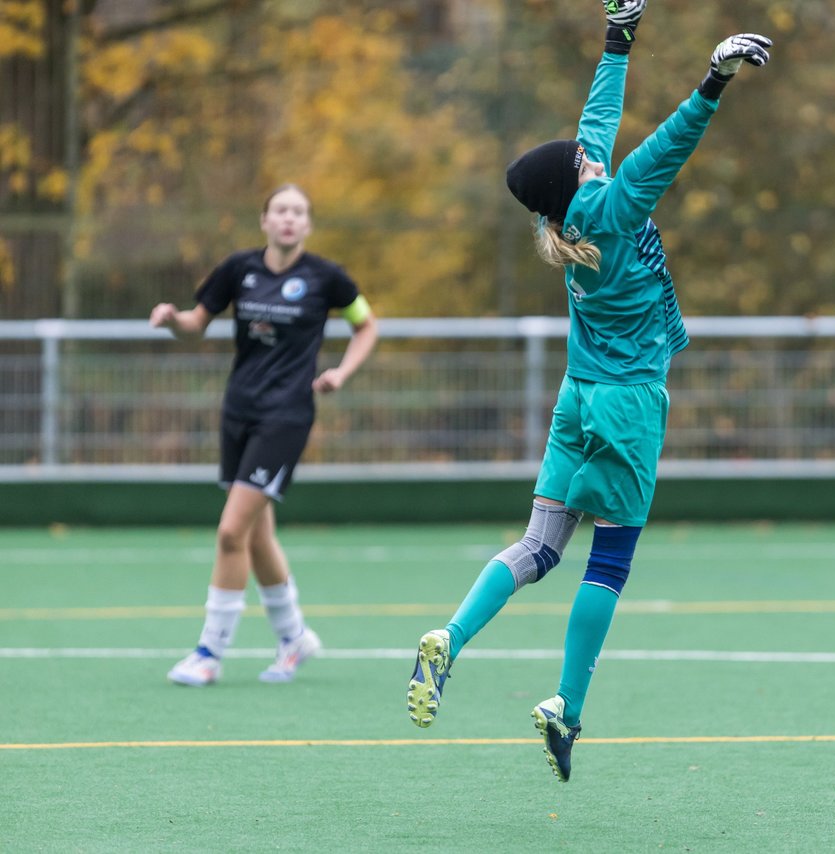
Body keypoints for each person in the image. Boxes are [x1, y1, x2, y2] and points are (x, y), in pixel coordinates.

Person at [405, 0, 771, 782]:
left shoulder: (573, 206)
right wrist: (713, 80)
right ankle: (566, 706)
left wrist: (620, 36)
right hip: (628, 404)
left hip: (577, 400)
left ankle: (450, 637)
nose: (588, 149)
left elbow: (598, 115)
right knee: (610, 561)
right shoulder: (608, 204)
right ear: (577, 181)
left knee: (539, 546)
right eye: (579, 155)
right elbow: (667, 150)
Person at [149, 183, 379, 687]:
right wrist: (171, 321)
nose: (289, 219)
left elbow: (367, 326)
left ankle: (210, 652)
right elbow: (195, 323)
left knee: (231, 531)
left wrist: (341, 372)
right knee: (255, 535)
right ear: (265, 220)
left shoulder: (326, 278)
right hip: (238, 412)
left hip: (286, 417)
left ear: (308, 224)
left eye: (299, 212)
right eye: (280, 210)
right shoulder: (238, 270)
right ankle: (293, 635)